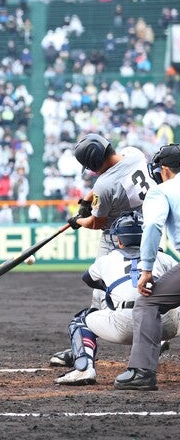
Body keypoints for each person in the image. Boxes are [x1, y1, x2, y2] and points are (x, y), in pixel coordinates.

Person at [50, 134, 156, 366]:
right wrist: (88, 201)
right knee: (148, 286)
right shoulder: (134, 153)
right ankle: (153, 334)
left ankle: (83, 350)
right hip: (148, 233)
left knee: (100, 294)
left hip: (116, 238)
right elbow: (102, 189)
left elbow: (97, 222)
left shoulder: (104, 185)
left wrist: (78, 221)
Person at [54, 211, 179, 386]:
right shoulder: (163, 258)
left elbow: (88, 279)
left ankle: (84, 369)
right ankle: (158, 343)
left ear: (119, 240)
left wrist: (114, 288)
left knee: (80, 321)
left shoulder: (106, 260)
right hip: (162, 325)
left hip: (122, 325)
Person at [115, 144, 180, 390]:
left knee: (148, 302)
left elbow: (153, 227)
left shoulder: (162, 191)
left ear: (164, 169)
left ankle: (142, 371)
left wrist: (146, 270)